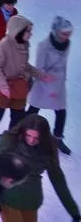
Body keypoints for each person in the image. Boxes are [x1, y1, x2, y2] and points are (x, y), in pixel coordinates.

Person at [0, 114, 80, 222]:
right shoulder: (9, 140)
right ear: (23, 132)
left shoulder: (49, 147)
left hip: (31, 200)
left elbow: (57, 179)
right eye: (29, 136)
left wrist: (72, 209)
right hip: (8, 198)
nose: (32, 141)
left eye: (36, 138)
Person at [0, 15, 51, 157]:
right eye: (28, 31)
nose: (31, 34)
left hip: (18, 87)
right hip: (2, 87)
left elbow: (24, 65)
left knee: (17, 120)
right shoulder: (4, 45)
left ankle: (9, 149)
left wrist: (38, 74)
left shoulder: (25, 45)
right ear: (18, 31)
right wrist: (3, 87)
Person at [28, 16, 73, 155]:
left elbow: (63, 65)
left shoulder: (67, 44)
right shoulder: (43, 46)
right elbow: (39, 69)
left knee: (61, 112)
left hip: (58, 84)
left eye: (68, 33)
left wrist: (60, 84)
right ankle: (20, 132)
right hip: (44, 84)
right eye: (64, 33)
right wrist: (49, 87)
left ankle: (57, 139)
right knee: (33, 110)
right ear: (56, 32)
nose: (67, 36)